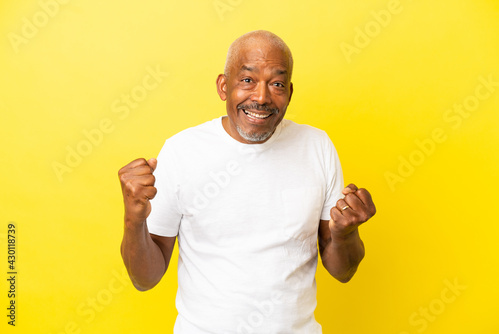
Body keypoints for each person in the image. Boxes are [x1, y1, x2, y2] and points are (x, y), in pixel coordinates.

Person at [119, 30, 376, 333]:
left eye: (277, 84)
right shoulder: (182, 151)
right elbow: (144, 279)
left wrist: (345, 234)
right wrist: (134, 220)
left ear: (290, 93)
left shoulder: (317, 146)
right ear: (223, 86)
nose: (262, 97)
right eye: (247, 80)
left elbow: (342, 271)